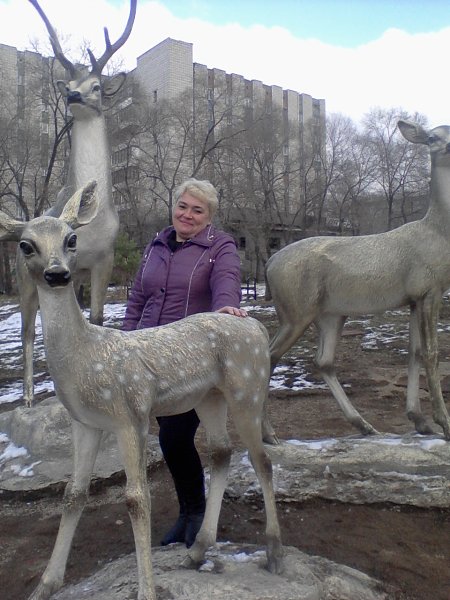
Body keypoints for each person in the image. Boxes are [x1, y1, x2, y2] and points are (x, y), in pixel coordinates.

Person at [122, 178, 247, 548]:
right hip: (147, 354)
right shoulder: (157, 244)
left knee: (174, 437)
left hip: (191, 358)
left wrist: (226, 307)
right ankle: (188, 510)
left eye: (197, 210)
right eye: (183, 206)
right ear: (173, 206)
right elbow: (138, 296)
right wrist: (125, 340)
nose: (187, 215)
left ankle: (195, 513)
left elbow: (227, 279)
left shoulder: (219, 245)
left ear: (209, 217)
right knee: (169, 437)